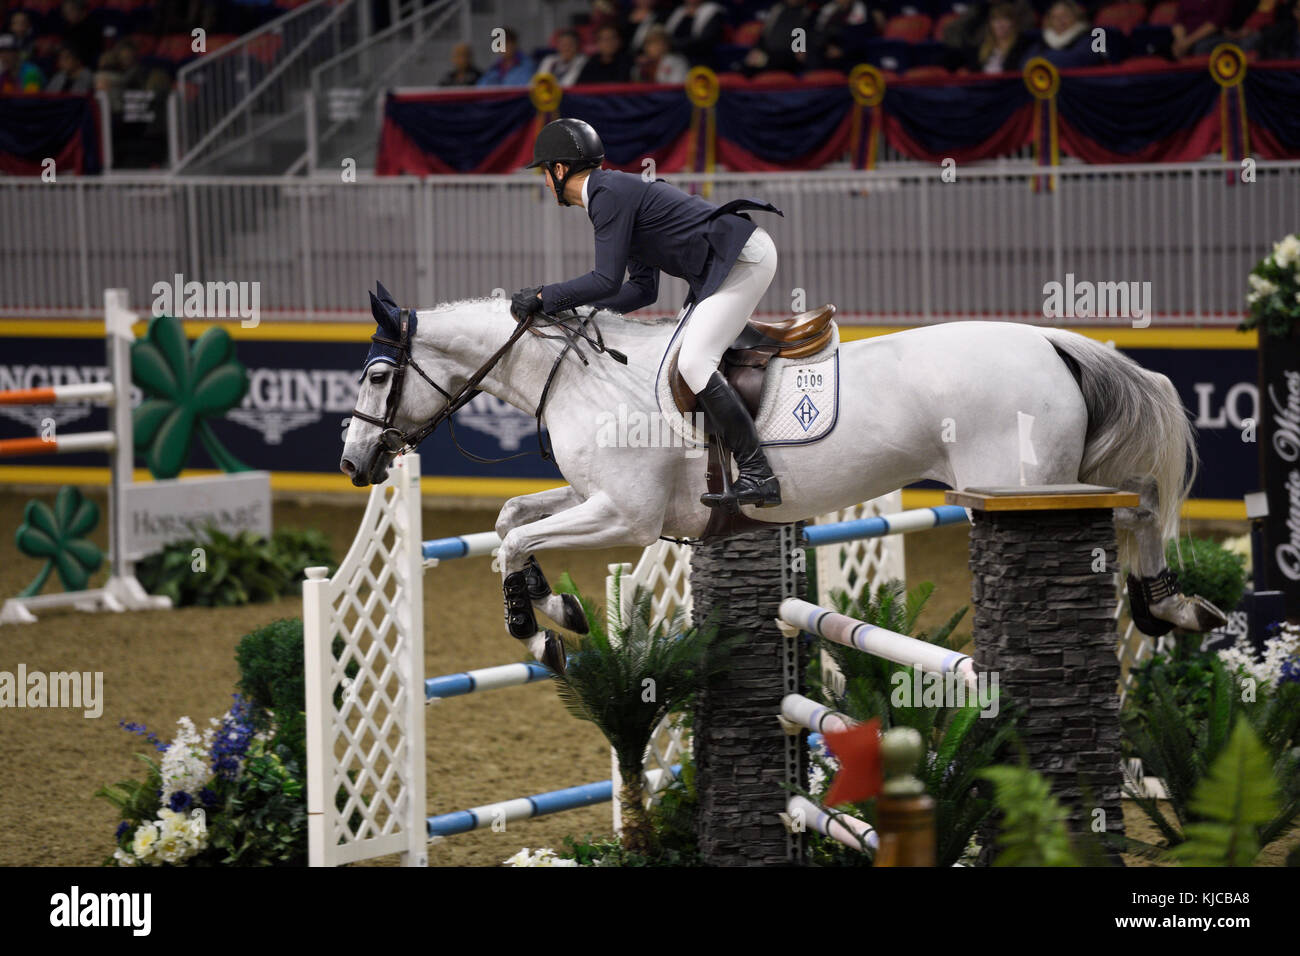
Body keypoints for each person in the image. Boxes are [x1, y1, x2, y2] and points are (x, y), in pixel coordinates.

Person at [511, 118, 785, 509]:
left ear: (559, 170)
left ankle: (759, 472)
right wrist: (580, 311)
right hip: (722, 266)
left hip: (741, 259)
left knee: (693, 361)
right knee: (677, 355)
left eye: (543, 172)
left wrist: (545, 296)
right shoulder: (612, 192)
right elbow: (641, 289)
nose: (543, 182)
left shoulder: (607, 194)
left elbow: (605, 280)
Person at [1025, 0, 1100, 67]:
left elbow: (1079, 59)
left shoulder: (1088, 38)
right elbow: (1026, 62)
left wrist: (1043, 60)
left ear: (1076, 17)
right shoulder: (1043, 40)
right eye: (1054, 17)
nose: (1060, 21)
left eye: (1065, 16)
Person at [745, 0, 812, 74]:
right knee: (743, 67)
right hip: (767, 53)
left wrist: (767, 59)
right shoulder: (777, 9)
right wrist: (757, 50)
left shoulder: (807, 13)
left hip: (787, 58)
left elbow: (799, 50)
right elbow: (764, 35)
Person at [968, 4, 1031, 73]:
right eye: (995, 20)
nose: (1000, 24)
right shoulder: (982, 46)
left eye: (1005, 19)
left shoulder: (1021, 45)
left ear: (1013, 22)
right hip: (983, 83)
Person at [664, 0, 727, 65]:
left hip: (700, 58)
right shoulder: (679, 11)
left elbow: (706, 40)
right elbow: (666, 35)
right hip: (674, 56)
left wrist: (674, 45)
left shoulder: (712, 11)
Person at [1171, 0, 1235, 57]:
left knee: (1201, 47)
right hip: (1185, 38)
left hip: (1212, 37)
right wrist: (1180, 41)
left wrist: (1187, 42)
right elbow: (1178, 20)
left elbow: (1216, 22)